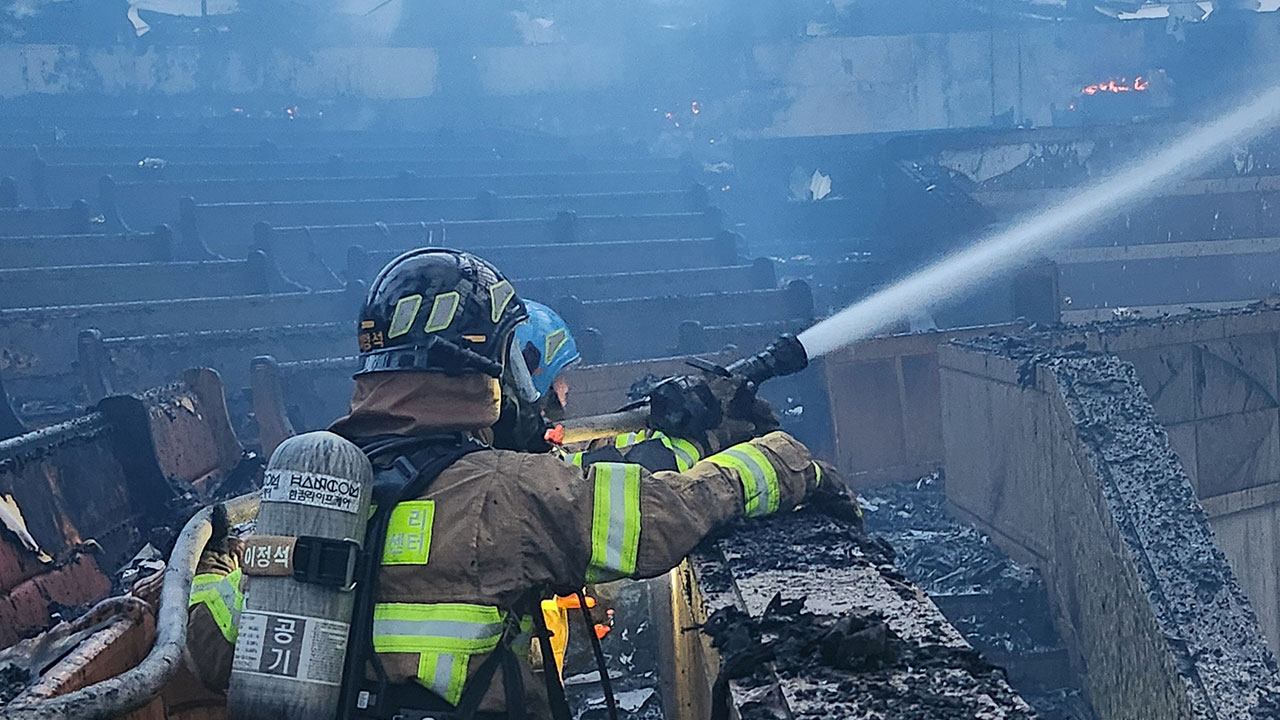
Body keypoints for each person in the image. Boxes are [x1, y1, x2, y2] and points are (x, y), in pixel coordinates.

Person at [171, 248, 856, 720]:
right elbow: (661, 516)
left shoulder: (305, 495)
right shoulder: (503, 493)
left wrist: (221, 553)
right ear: (475, 369)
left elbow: (211, 646)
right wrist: (784, 460)